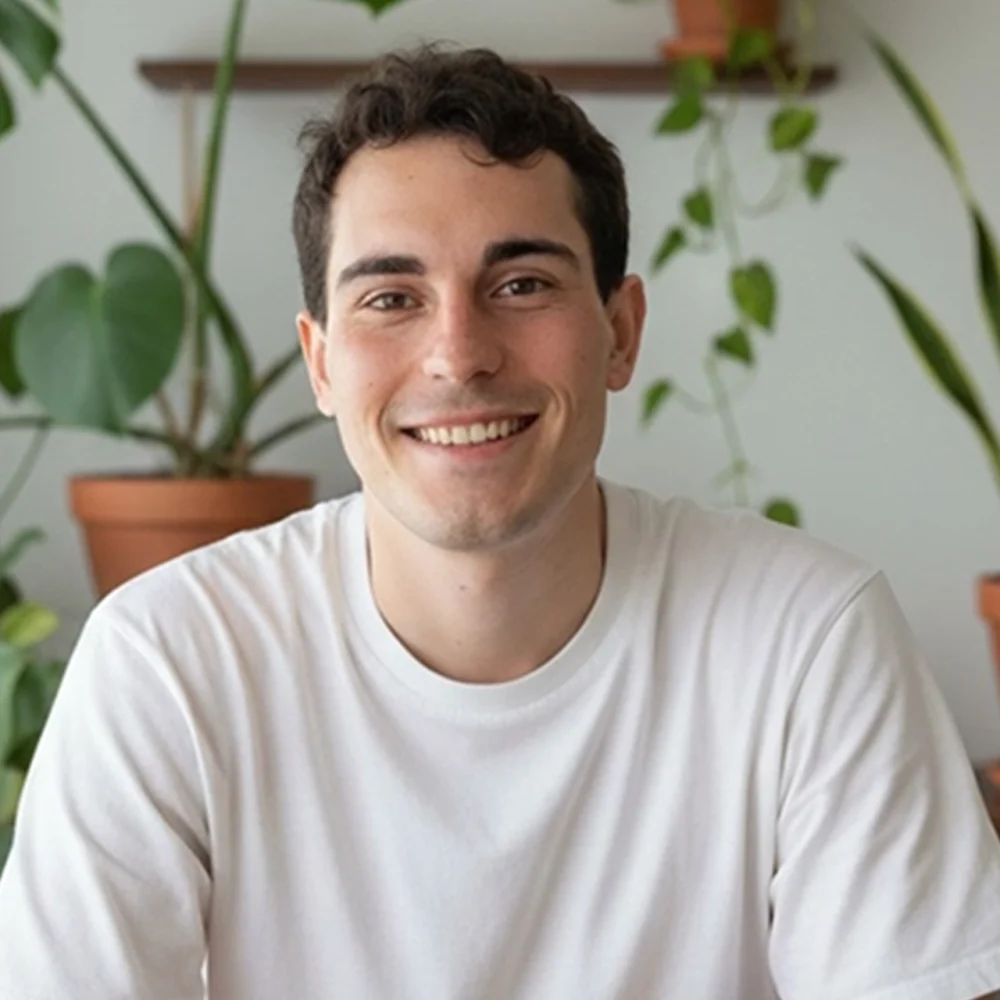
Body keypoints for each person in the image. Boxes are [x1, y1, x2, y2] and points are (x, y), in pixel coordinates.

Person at [0, 42, 999, 1000]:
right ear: (319, 362)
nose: (457, 353)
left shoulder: (805, 639)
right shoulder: (167, 663)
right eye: (391, 297)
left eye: (521, 284)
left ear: (619, 331)